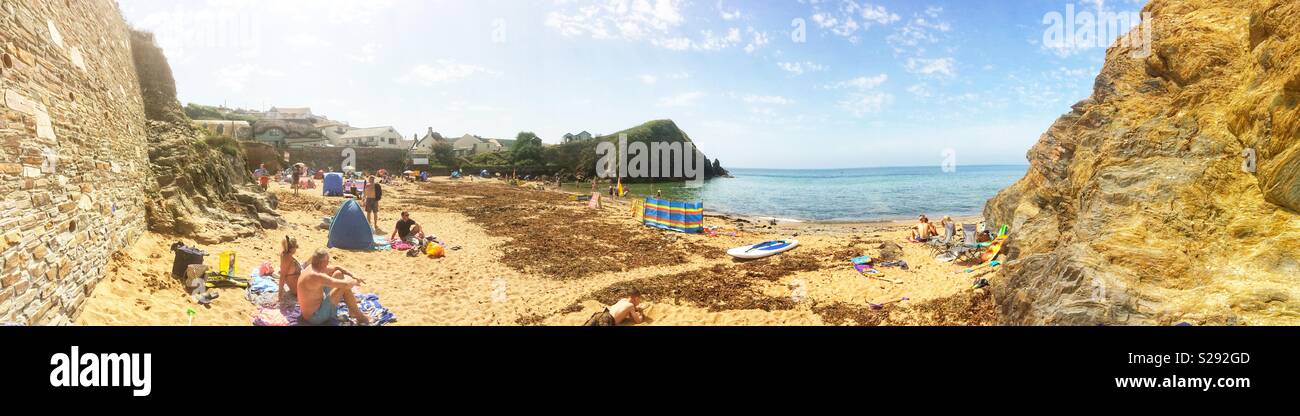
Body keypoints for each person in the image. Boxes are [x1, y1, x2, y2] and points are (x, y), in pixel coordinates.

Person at [297, 248, 369, 325]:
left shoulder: (313, 267)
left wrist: (353, 275)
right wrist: (356, 282)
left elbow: (336, 267)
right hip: (315, 317)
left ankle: (352, 311)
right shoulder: (316, 276)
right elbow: (345, 284)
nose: (328, 263)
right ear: (322, 263)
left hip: (312, 309)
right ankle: (360, 317)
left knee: (338, 274)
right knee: (343, 286)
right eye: (327, 261)